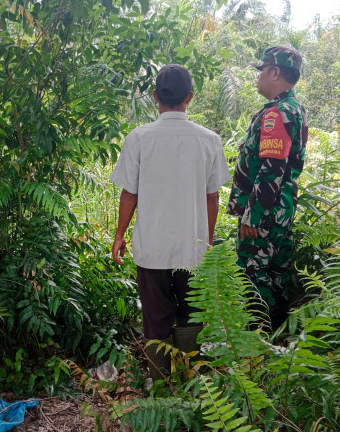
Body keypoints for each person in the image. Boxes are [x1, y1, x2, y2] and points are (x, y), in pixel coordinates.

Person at [110, 64, 231, 380]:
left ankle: (160, 384)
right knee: (191, 316)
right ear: (190, 97)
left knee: (156, 317)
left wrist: (120, 234)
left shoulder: (139, 138)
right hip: (193, 249)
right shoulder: (209, 140)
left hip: (152, 249)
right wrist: (207, 240)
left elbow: (129, 195)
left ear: (155, 97)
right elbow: (212, 197)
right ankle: (190, 384)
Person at [227, 46, 308, 330]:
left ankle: (257, 339)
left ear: (275, 72)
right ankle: (278, 338)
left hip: (265, 213)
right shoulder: (294, 108)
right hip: (280, 209)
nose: (258, 76)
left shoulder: (277, 113)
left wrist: (252, 215)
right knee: (276, 273)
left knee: (253, 274)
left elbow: (271, 169)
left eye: (261, 70)